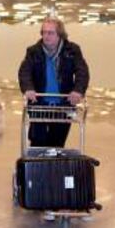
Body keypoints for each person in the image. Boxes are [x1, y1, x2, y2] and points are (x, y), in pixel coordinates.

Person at [18, 17, 89, 148]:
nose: (46, 36)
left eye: (50, 33)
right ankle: (36, 168)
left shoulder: (72, 50)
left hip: (63, 105)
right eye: (44, 32)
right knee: (37, 143)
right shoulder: (33, 51)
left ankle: (54, 168)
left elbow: (82, 71)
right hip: (38, 104)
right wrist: (28, 88)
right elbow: (25, 72)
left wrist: (78, 90)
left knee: (57, 144)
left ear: (60, 35)